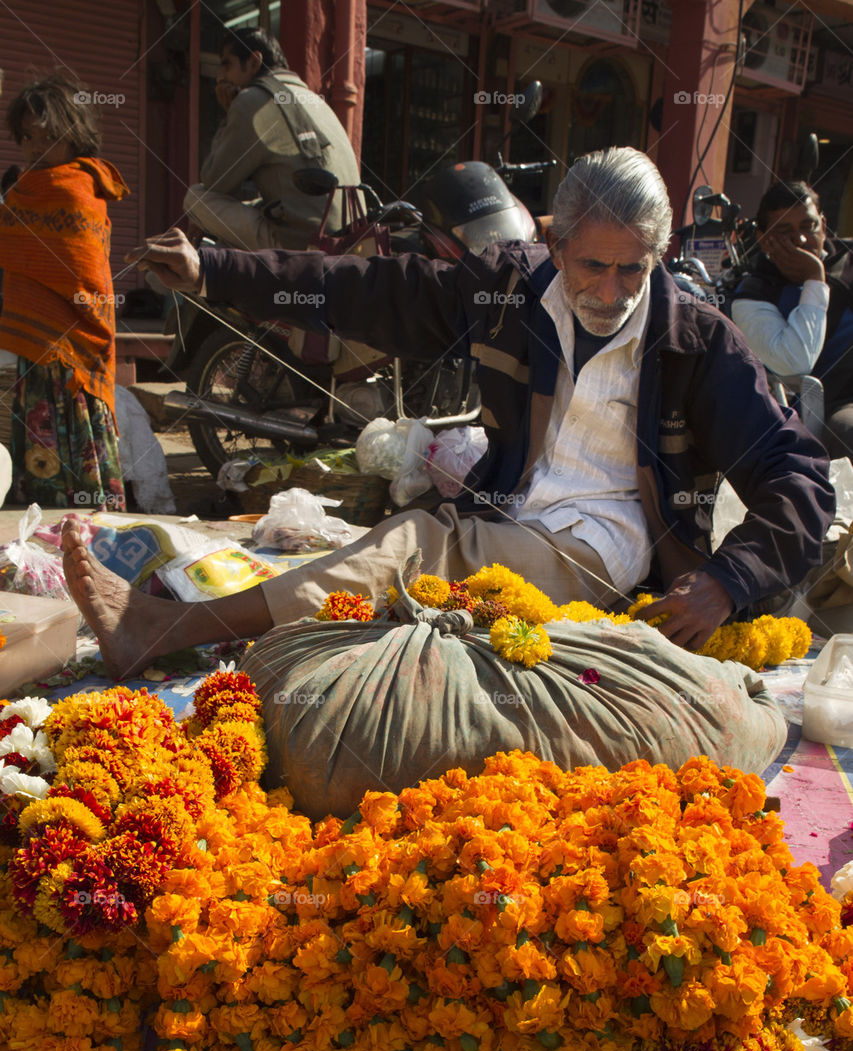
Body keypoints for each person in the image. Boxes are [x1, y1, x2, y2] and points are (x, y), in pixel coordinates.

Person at [62, 147, 834, 678]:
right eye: (592, 266)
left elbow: (795, 470)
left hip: (612, 545)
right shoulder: (505, 289)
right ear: (554, 245)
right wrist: (216, 268)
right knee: (403, 581)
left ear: (658, 256)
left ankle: (164, 629)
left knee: (416, 544)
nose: (611, 291)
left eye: (632, 268)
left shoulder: (695, 342)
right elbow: (366, 290)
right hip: (510, 511)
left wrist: (726, 580)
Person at [0, 73, 128, 510]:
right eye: (26, 138)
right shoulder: (24, 191)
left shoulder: (74, 190)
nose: (35, 149)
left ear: (73, 136)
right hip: (37, 353)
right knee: (44, 455)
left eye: (47, 137)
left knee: (74, 450)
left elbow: (78, 269)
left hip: (72, 352)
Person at [182, 27, 361, 252]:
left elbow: (214, 181)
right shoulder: (314, 100)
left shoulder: (253, 100)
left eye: (227, 65)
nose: (221, 77)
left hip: (298, 243)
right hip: (347, 241)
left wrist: (230, 113)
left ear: (255, 61)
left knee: (196, 197)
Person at [731, 180, 853, 458]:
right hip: (831, 406)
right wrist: (814, 280)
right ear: (763, 238)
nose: (800, 240)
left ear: (823, 224)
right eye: (785, 232)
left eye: (808, 226)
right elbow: (795, 361)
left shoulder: (848, 262)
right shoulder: (754, 294)